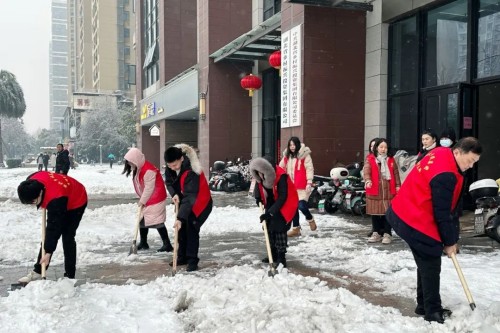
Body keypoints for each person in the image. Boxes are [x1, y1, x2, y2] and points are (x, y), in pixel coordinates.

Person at [386, 137, 482, 324]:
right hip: (414, 219)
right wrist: (450, 242)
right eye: (469, 161)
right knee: (430, 263)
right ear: (457, 152)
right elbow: (443, 213)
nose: (470, 166)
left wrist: (452, 238)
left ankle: (424, 305)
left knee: (425, 261)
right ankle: (432, 312)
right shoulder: (446, 175)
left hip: (402, 211)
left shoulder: (440, 152)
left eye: (474, 162)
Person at [17, 171, 88, 283]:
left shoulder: (56, 200)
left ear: (40, 194)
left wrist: (48, 252)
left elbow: (53, 228)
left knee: (67, 236)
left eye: (33, 202)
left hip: (76, 201)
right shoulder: (30, 180)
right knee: (47, 237)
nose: (33, 205)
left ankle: (69, 275)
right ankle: (38, 271)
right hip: (61, 192)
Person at [164, 144, 213, 272]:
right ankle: (182, 257)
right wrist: (174, 194)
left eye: (175, 165)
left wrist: (180, 217)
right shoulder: (170, 167)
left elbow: (190, 197)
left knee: (191, 228)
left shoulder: (191, 171)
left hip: (200, 203)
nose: (172, 168)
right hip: (185, 201)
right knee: (181, 230)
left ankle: (192, 260)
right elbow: (169, 182)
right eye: (170, 166)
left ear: (181, 158)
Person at [250, 157, 298, 268]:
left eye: (261, 173)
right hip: (271, 202)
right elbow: (258, 185)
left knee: (279, 228)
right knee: (268, 226)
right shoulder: (259, 174)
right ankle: (273, 254)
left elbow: (283, 197)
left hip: (286, 203)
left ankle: (281, 256)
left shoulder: (281, 177)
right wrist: (258, 198)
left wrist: (270, 213)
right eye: (258, 174)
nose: (260, 176)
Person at [123, 148, 173, 253]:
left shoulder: (148, 170)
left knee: (157, 221)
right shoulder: (139, 168)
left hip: (156, 198)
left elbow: (149, 188)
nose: (130, 164)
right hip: (148, 198)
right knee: (142, 220)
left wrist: (142, 200)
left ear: (136, 159)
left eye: (131, 162)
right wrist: (143, 199)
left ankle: (167, 244)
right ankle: (144, 243)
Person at [363, 138, 401, 244]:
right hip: (375, 190)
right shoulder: (370, 159)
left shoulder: (391, 160)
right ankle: (376, 233)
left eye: (385, 147)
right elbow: (366, 171)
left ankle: (387, 233)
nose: (383, 149)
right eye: (381, 147)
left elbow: (396, 174)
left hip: (389, 190)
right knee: (375, 213)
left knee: (387, 213)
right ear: (376, 148)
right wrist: (368, 180)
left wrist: (398, 185)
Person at [279, 137, 316, 237]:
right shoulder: (287, 156)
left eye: (294, 145)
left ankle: (310, 219)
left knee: (302, 206)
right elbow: (280, 168)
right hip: (291, 187)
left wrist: (309, 182)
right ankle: (296, 228)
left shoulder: (305, 155)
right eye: (290, 145)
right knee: (294, 208)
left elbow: (309, 169)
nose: (292, 147)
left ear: (298, 145)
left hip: (302, 186)